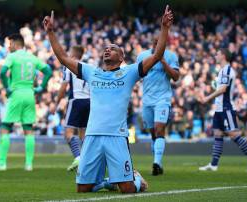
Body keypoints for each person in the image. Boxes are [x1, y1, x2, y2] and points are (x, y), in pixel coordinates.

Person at [43, 5, 173, 193]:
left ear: (121, 57)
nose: (107, 50)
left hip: (117, 136)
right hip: (93, 135)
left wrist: (165, 28)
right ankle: (108, 182)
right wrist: (51, 33)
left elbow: (157, 55)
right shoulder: (91, 72)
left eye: (112, 49)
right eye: (106, 49)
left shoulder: (129, 72)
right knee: (82, 189)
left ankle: (136, 179)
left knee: (128, 189)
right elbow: (63, 57)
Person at [0, 33, 52, 171]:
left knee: (5, 127)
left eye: (10, 44)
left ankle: (2, 163)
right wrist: (40, 87)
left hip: (16, 94)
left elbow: (3, 72)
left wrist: (7, 88)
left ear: (16, 44)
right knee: (28, 129)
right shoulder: (32, 57)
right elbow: (48, 71)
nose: (8, 47)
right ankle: (28, 164)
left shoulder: (12, 56)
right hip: (30, 94)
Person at [199, 49, 247, 172]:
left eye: (218, 53)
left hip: (227, 108)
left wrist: (207, 98)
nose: (216, 55)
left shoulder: (227, 70)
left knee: (234, 135)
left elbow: (223, 90)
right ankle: (214, 165)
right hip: (219, 108)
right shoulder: (221, 70)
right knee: (218, 134)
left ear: (224, 56)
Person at [137, 38, 179, 175]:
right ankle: (158, 164)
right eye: (157, 44)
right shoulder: (142, 56)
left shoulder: (171, 56)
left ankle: (156, 163)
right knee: (153, 133)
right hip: (147, 100)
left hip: (163, 99)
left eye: (162, 44)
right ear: (153, 44)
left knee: (159, 129)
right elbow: (137, 74)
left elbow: (176, 76)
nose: (159, 46)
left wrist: (163, 62)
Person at [53, 45, 90, 171]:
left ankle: (79, 158)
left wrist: (56, 102)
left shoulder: (69, 66)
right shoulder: (87, 66)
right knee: (83, 134)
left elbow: (64, 87)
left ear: (73, 54)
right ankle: (86, 161)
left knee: (68, 133)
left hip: (76, 101)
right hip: (89, 102)